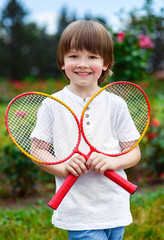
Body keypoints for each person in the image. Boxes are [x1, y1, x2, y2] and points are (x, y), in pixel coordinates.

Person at [31, 20, 141, 240]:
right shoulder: (52, 104)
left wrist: (113, 162)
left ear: (106, 63)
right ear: (62, 62)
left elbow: (133, 152)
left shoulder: (115, 103)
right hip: (78, 210)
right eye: (73, 56)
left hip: (115, 206)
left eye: (92, 57)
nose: (82, 64)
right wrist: (62, 166)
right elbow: (37, 150)